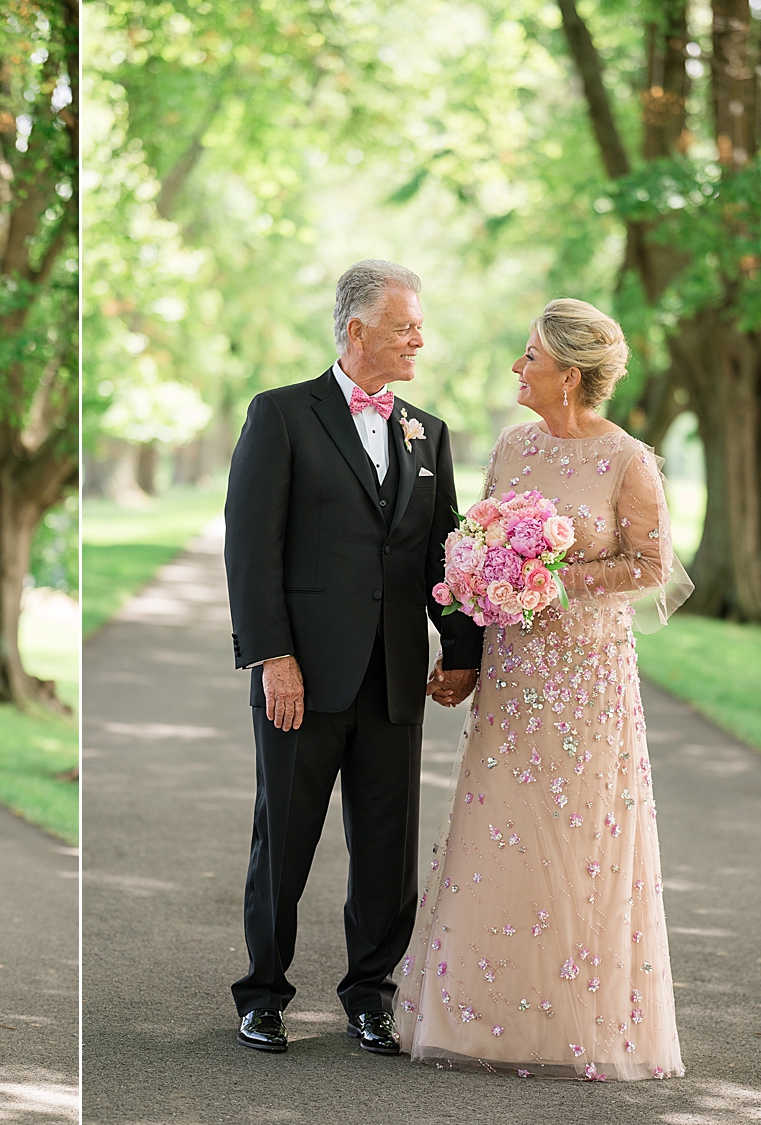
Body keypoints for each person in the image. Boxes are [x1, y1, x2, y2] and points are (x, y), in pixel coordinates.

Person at [396, 299, 690, 1080]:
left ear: (568, 373)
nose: (517, 368)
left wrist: (553, 580)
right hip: (515, 672)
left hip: (587, 679)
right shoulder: (512, 448)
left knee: (581, 840)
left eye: (530, 357)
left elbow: (652, 567)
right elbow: (473, 540)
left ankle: (575, 1024)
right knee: (501, 831)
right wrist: (485, 578)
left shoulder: (627, 459)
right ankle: (480, 1018)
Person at [223, 259, 484, 1055]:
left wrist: (462, 649)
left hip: (395, 677)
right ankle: (263, 991)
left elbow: (446, 551)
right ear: (356, 330)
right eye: (404, 325)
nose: (418, 338)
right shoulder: (281, 414)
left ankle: (370, 994)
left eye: (419, 325)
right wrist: (274, 657)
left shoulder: (428, 430)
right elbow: (251, 547)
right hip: (303, 674)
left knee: (386, 848)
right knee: (286, 838)